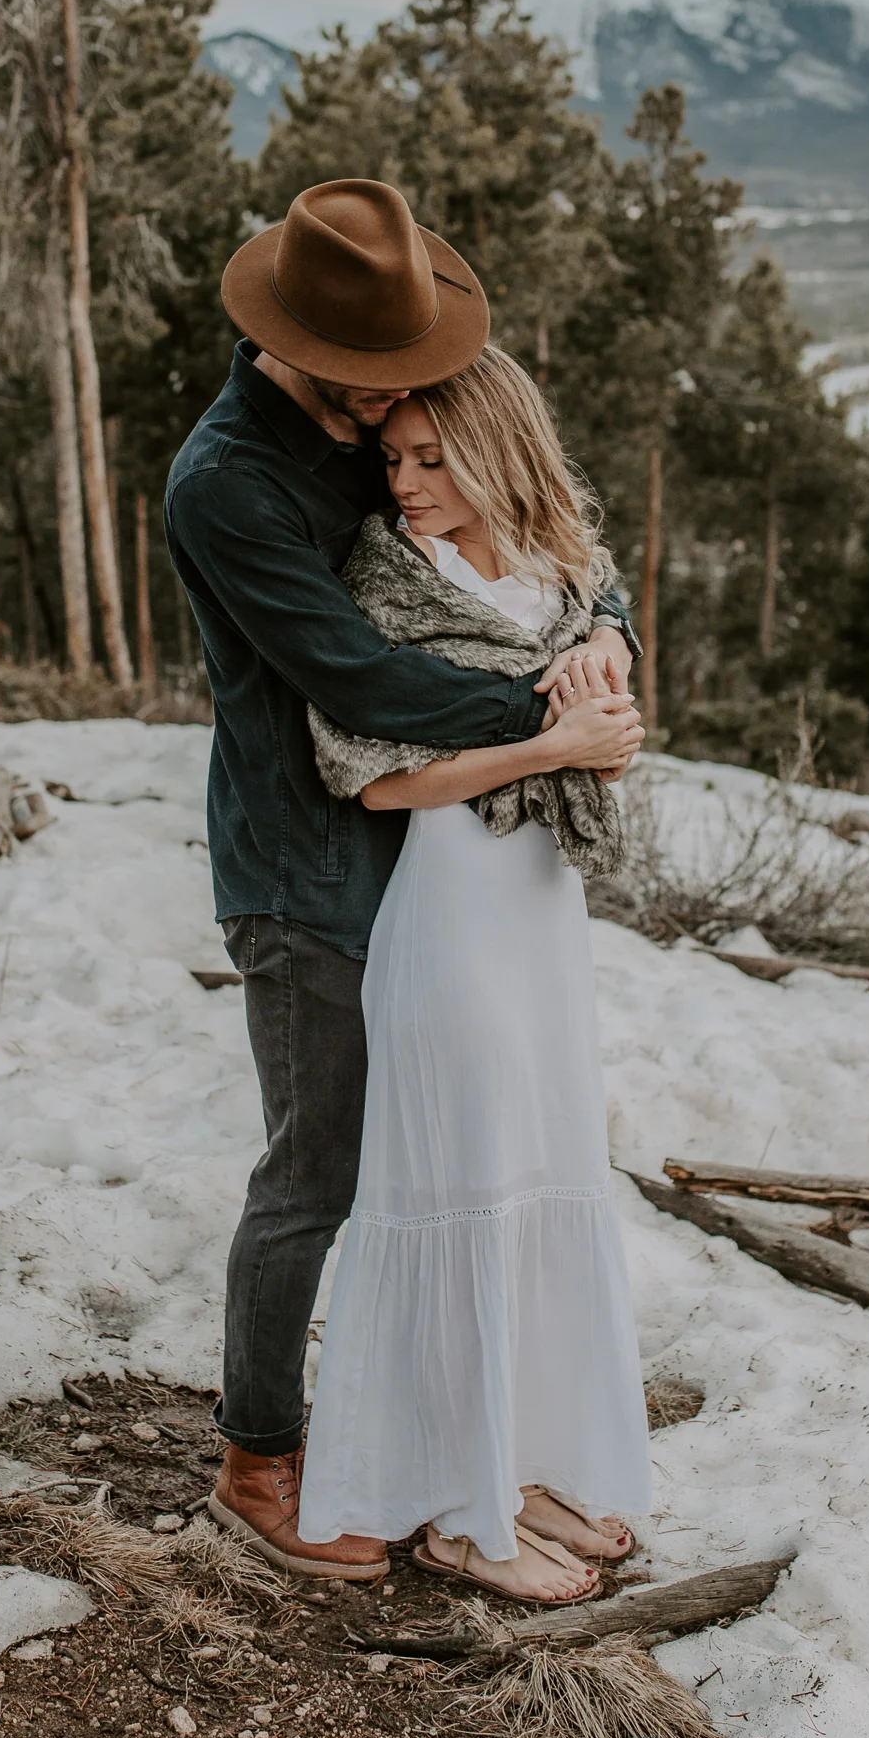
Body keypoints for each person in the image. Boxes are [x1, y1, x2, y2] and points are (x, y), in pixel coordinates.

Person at [164, 179, 641, 1583]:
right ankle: (260, 1458)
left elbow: (538, 524)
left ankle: (462, 1447)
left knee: (450, 1155)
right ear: (302, 347)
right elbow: (358, 679)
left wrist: (598, 631)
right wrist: (558, 726)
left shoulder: (386, 414)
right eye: (375, 393)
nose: (396, 423)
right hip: (308, 864)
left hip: (447, 865)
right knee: (318, 1169)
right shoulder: (226, 484)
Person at [294, 348, 652, 1604]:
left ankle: (525, 1459)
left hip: (543, 912)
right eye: (393, 460)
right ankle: (456, 1510)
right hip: (450, 915)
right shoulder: (384, 584)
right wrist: (554, 741)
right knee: (463, 1188)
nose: (404, 484)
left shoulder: (567, 573)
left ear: (499, 450)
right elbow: (376, 774)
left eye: (432, 460)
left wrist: (603, 679)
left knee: (539, 1177)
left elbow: (599, 629)